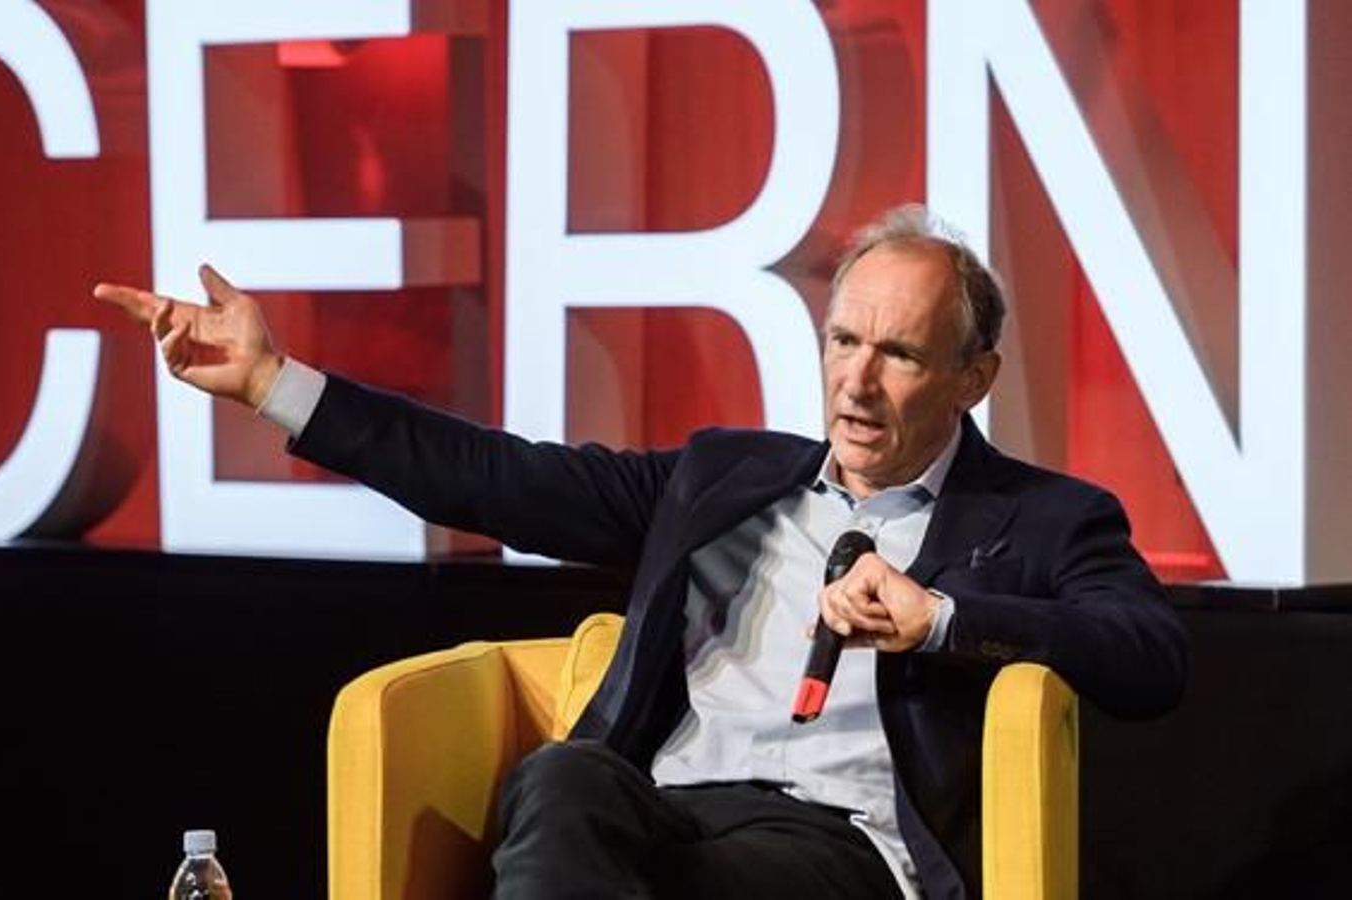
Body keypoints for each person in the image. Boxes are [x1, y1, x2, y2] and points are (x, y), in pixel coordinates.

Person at [94, 204, 1187, 899]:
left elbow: (1148, 655)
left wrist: (940, 619)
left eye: (896, 354)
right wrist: (278, 385)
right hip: (657, 809)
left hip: (836, 850)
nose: (854, 381)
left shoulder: (1043, 516)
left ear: (971, 377)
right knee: (566, 776)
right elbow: (498, 478)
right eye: (842, 340)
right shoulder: (725, 477)